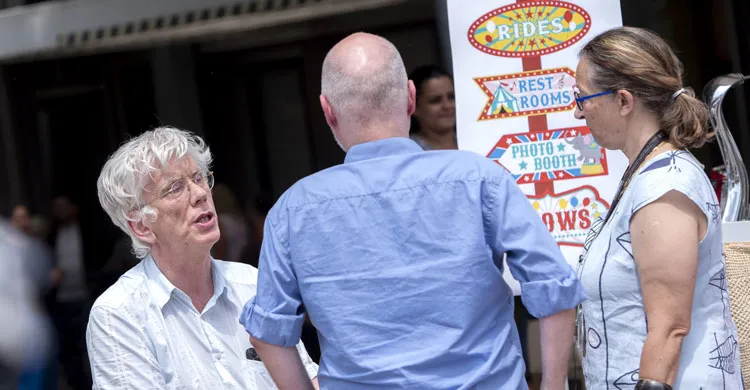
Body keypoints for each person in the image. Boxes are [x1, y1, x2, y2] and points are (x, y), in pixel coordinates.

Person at [241, 32, 584, 390]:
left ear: (327, 110)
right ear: (410, 97)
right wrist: (553, 384)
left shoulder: (292, 210)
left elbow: (268, 334)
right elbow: (554, 287)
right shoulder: (480, 179)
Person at [573, 27, 743, 389]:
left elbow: (670, 329)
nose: (578, 112)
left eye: (582, 98)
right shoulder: (644, 176)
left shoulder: (664, 187)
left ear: (623, 101)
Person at [87, 126, 319, 389]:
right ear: (142, 226)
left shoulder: (253, 284)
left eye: (198, 178)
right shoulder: (119, 313)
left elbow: (308, 382)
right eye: (175, 188)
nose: (200, 194)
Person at [408, 64, 457, 150]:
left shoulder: (475, 140)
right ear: (414, 107)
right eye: (435, 100)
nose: (447, 106)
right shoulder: (409, 151)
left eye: (451, 97)